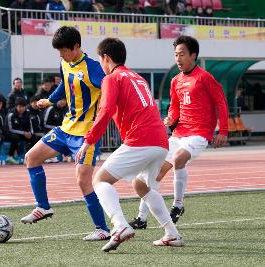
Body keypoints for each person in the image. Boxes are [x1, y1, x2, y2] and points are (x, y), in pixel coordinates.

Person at [75, 38, 184, 252]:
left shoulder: (112, 78)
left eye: (100, 60)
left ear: (106, 58)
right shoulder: (137, 77)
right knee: (141, 185)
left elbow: (105, 110)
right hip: (161, 141)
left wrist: (89, 140)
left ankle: (119, 225)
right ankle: (171, 234)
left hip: (141, 139)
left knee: (99, 180)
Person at [20, 26, 110, 241]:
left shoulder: (93, 68)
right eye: (59, 51)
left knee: (83, 180)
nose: (61, 55)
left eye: (64, 51)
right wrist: (49, 100)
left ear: (76, 47)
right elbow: (64, 87)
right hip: (65, 129)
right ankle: (43, 207)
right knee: (31, 158)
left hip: (85, 135)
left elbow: (109, 91)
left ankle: (103, 229)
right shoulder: (65, 63)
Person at [130, 35, 229, 229]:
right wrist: (170, 118)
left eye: (182, 54)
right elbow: (175, 107)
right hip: (179, 133)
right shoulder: (175, 80)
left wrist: (223, 130)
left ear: (193, 55)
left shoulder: (205, 78)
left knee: (179, 158)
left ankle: (177, 205)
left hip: (199, 134)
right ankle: (141, 218)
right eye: (175, 54)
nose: (178, 58)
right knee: (154, 173)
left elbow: (221, 103)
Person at [6, 97, 34, 164]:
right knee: (15, 138)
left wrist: (30, 133)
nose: (21, 108)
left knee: (33, 137)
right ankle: (10, 156)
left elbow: (30, 125)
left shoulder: (27, 114)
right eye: (20, 107)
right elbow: (10, 129)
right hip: (9, 133)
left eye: (23, 107)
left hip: (22, 133)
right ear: (16, 107)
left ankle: (29, 156)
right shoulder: (11, 115)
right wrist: (24, 133)